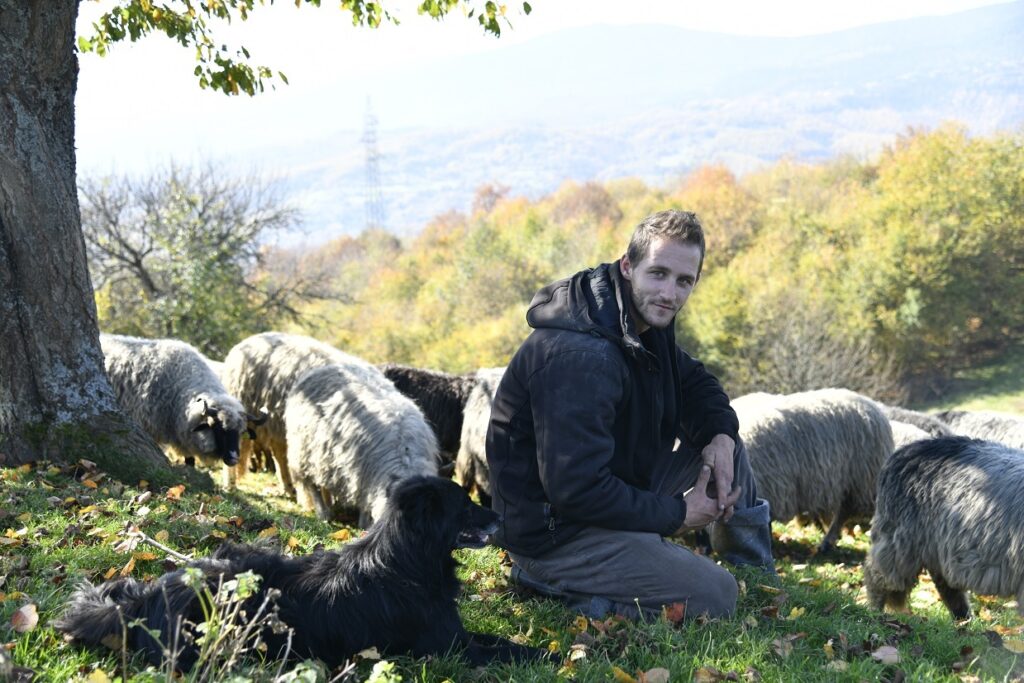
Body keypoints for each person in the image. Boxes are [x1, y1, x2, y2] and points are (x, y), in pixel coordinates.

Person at [485, 209, 774, 620]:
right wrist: (679, 514)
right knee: (716, 597)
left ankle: (756, 572)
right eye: (658, 273)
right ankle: (549, 583)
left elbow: (695, 383)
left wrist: (721, 437)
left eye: (684, 281)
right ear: (628, 266)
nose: (670, 294)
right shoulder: (582, 356)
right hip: (554, 533)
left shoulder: (639, 321)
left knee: (722, 443)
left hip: (612, 486)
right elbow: (576, 490)